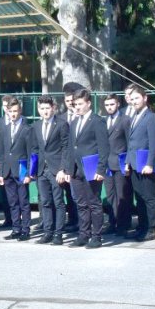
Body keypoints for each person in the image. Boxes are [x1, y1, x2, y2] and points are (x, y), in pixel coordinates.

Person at [67, 89, 110, 248]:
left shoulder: (97, 121)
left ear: (88, 103)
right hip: (76, 169)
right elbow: (71, 147)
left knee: (94, 203)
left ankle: (96, 236)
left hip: (91, 167)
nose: (77, 107)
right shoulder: (74, 122)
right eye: (75, 104)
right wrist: (68, 169)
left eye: (80, 104)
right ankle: (83, 234)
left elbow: (104, 147)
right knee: (81, 203)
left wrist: (101, 169)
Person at [32, 95, 71, 245]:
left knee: (58, 202)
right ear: (38, 109)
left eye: (47, 108)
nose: (45, 111)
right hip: (41, 170)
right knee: (45, 202)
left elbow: (65, 148)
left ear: (53, 108)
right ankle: (47, 232)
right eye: (42, 109)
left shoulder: (62, 124)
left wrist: (63, 169)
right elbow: (35, 149)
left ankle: (58, 234)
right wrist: (33, 171)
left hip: (56, 170)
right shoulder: (36, 126)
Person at [0, 95, 32, 240]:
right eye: (11, 111)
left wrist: (28, 173)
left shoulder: (27, 129)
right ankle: (15, 228)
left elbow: (30, 153)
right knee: (12, 202)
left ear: (20, 111)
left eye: (16, 111)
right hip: (7, 170)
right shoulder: (5, 128)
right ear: (7, 112)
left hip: (21, 169)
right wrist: (1, 174)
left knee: (23, 202)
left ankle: (25, 230)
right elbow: (2, 151)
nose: (13, 114)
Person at [123, 84, 155, 241]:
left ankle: (151, 229)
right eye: (132, 99)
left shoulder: (151, 117)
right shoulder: (134, 116)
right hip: (134, 164)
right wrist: (127, 162)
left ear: (145, 98)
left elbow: (153, 143)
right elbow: (131, 143)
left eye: (137, 98)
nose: (134, 101)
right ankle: (142, 227)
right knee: (139, 197)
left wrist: (150, 164)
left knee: (149, 197)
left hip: (145, 165)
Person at [101, 94, 130, 235]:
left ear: (118, 104)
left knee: (121, 195)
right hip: (107, 164)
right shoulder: (103, 120)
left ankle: (123, 225)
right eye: (107, 105)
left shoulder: (125, 120)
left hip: (120, 162)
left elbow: (129, 143)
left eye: (112, 104)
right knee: (110, 195)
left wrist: (128, 162)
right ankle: (112, 222)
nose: (109, 107)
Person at [61, 85, 82, 232]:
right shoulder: (61, 118)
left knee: (79, 195)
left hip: (80, 161)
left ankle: (83, 222)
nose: (70, 103)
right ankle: (72, 220)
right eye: (67, 100)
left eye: (72, 100)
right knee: (69, 194)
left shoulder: (80, 115)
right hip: (66, 160)